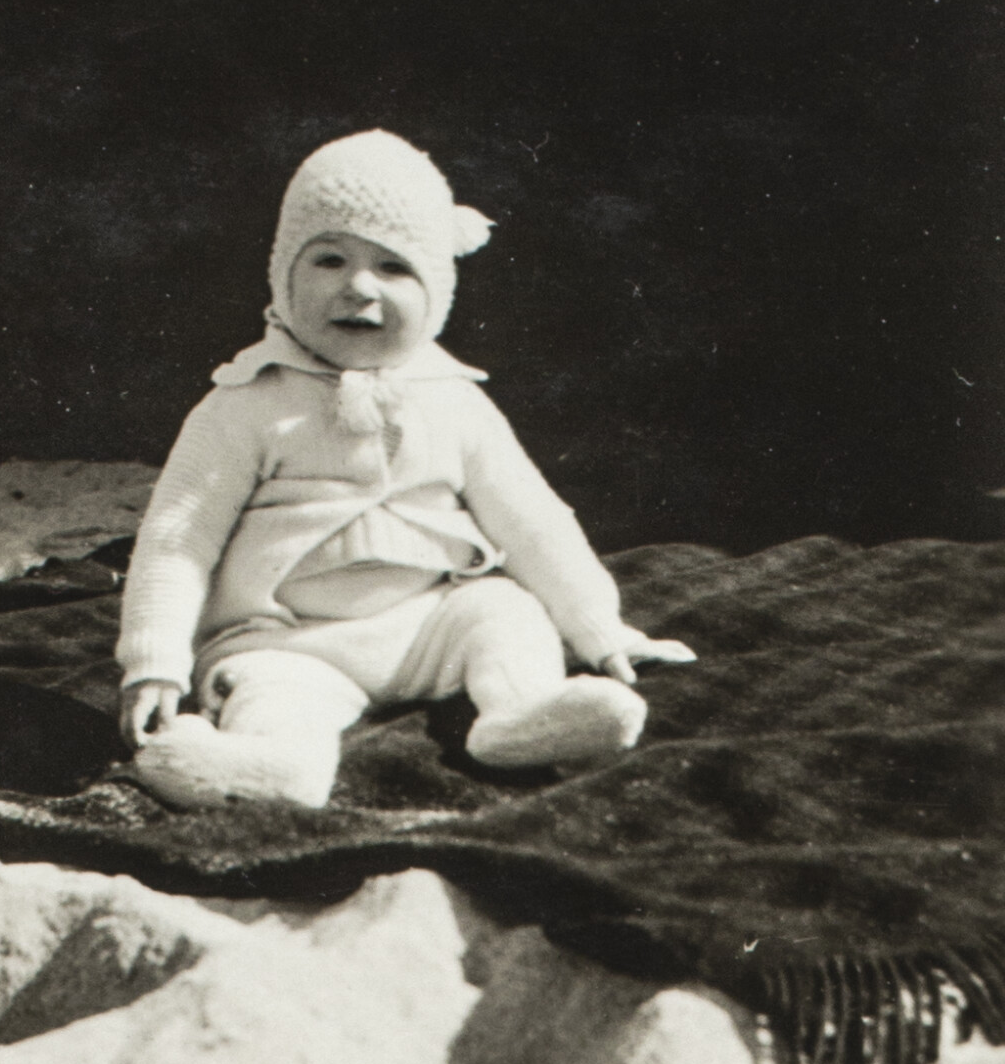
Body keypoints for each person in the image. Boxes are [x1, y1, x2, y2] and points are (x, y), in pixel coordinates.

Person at [116, 129, 694, 809]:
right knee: (272, 691)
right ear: (283, 276)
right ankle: (275, 768)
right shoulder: (245, 403)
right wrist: (153, 663)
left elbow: (533, 520)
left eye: (393, 267)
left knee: (504, 609)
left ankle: (520, 713)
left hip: (426, 626)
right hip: (290, 640)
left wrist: (599, 630)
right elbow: (177, 539)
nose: (358, 287)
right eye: (329, 259)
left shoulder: (457, 403)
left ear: (438, 290)